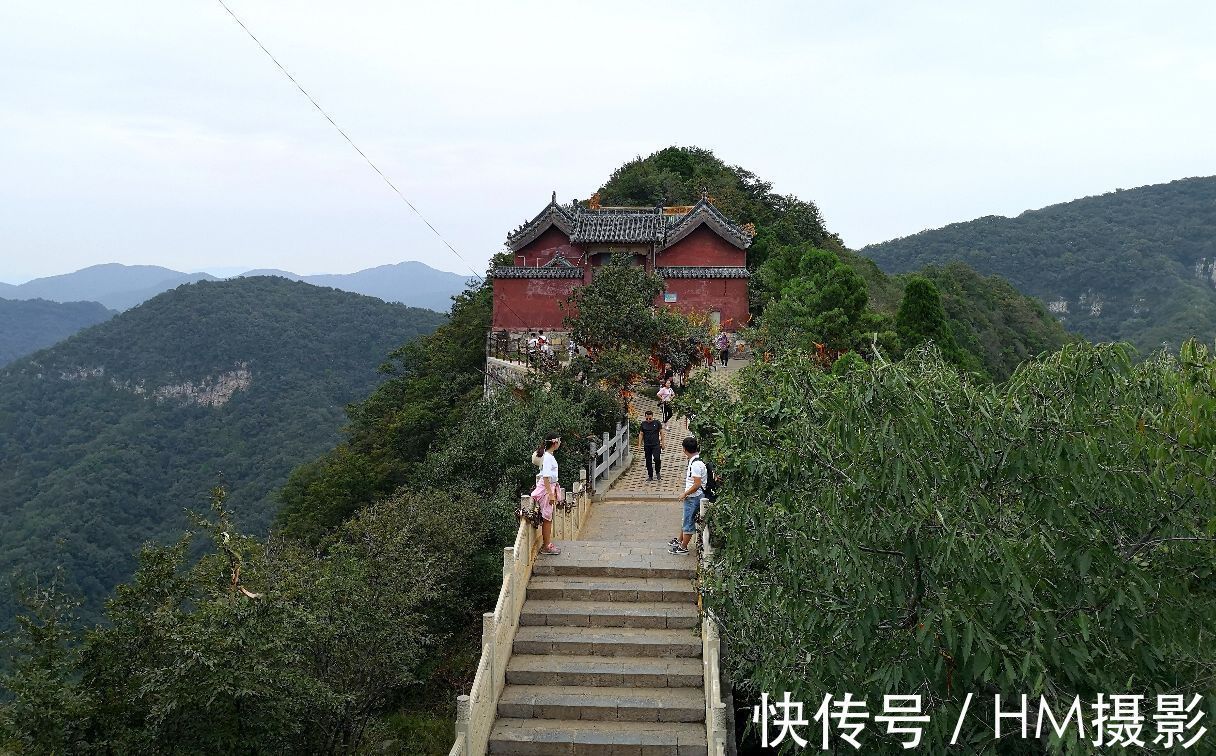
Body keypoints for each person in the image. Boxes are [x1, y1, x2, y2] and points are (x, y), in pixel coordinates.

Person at [669, 437, 706, 555]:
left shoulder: (695, 465)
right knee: (686, 519)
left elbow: (697, 484)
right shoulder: (697, 460)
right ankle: (680, 541)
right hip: (696, 496)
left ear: (684, 449)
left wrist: (685, 494)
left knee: (688, 521)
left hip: (693, 497)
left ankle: (683, 547)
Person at [530, 433, 563, 555]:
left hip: (549, 487)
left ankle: (547, 544)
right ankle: (547, 546)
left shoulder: (548, 455)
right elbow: (546, 476)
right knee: (547, 518)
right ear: (555, 443)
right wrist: (550, 494)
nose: (560, 443)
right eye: (559, 441)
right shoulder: (548, 457)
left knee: (547, 517)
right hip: (546, 489)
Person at [638, 410, 665, 481]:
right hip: (647, 445)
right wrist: (639, 444)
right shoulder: (643, 424)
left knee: (657, 458)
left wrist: (663, 443)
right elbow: (641, 434)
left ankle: (658, 472)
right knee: (648, 460)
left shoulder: (657, 423)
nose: (648, 420)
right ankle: (650, 475)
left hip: (656, 444)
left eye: (650, 418)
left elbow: (661, 432)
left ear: (652, 417)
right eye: (647, 419)